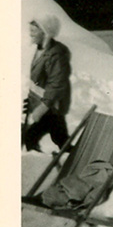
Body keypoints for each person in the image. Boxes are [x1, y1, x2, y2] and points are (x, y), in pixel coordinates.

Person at [23, 15, 72, 152]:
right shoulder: (41, 49)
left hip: (50, 107)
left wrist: (43, 107)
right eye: (30, 27)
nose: (30, 31)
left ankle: (40, 166)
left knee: (29, 138)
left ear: (46, 32)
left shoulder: (56, 54)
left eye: (35, 28)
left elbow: (57, 84)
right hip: (42, 104)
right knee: (60, 139)